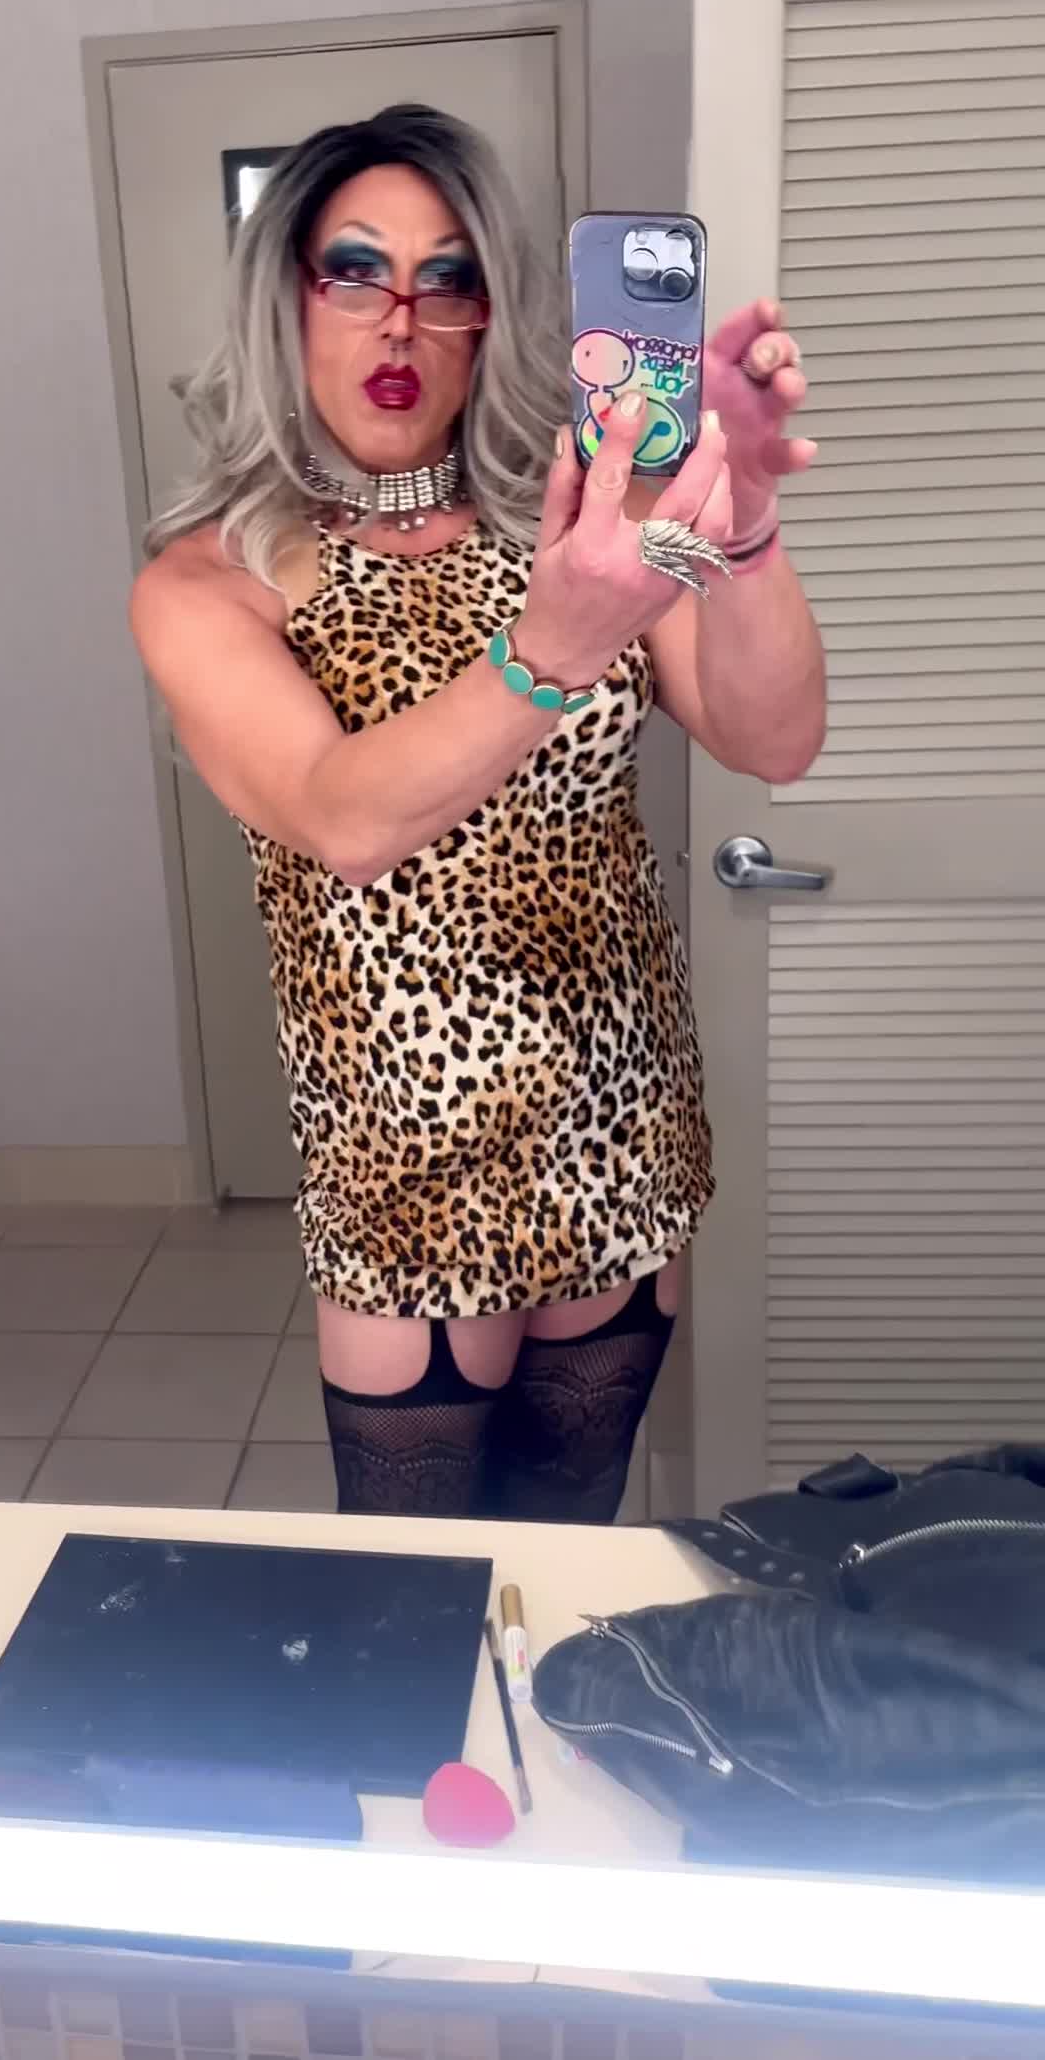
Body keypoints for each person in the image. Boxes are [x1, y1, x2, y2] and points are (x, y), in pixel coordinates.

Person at [131, 103, 825, 1523]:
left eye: (446, 278)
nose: (401, 321)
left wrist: (745, 520)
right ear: (286, 298)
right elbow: (342, 817)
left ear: (492, 312)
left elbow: (774, 737)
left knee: (566, 1549)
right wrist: (549, 650)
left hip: (616, 1122)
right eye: (356, 271)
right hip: (407, 1159)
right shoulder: (213, 579)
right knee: (417, 1595)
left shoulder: (575, 527)